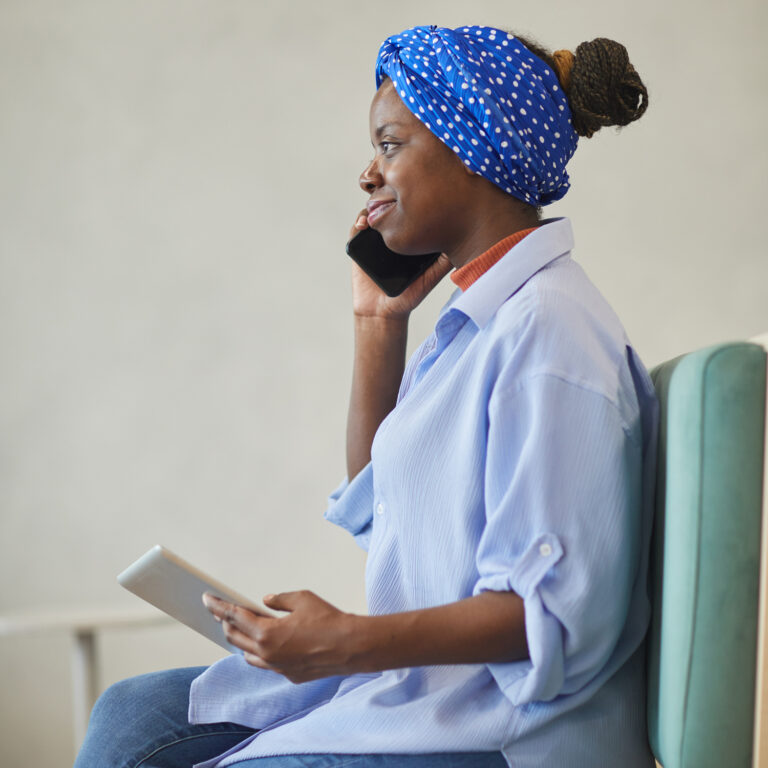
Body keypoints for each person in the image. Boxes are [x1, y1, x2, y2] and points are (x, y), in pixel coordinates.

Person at [74, 24, 657, 768]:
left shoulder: (548, 337)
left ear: (472, 148)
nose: (368, 175)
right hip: (433, 693)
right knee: (131, 717)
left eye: (389, 145)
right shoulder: (479, 324)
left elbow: (542, 617)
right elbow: (384, 507)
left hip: (502, 730)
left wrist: (345, 642)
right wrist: (377, 324)